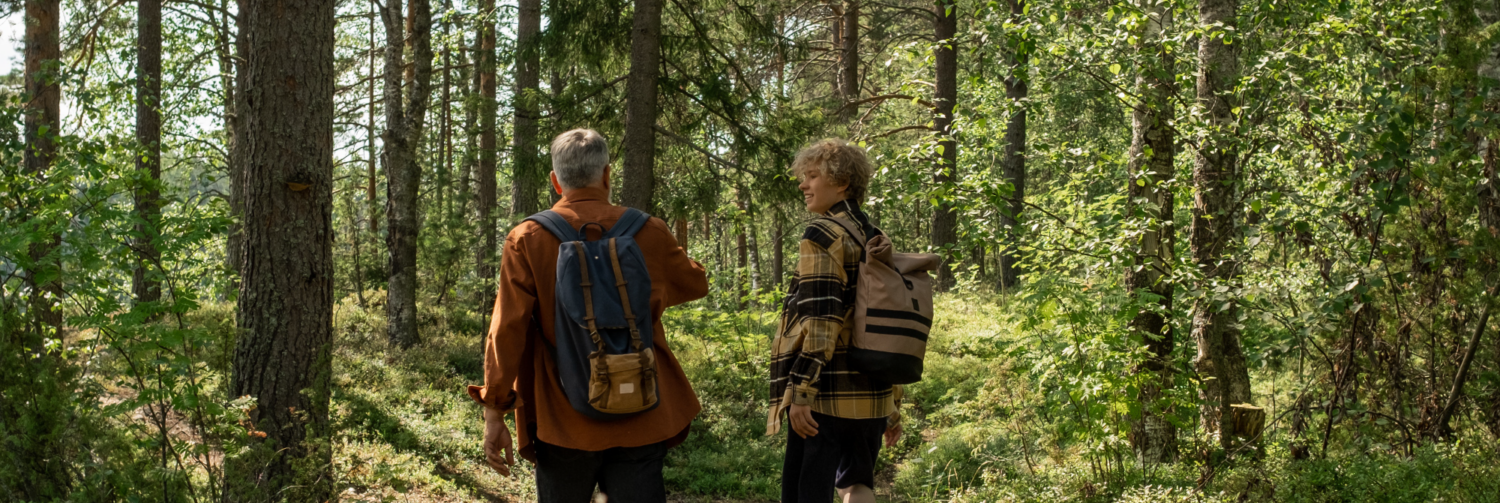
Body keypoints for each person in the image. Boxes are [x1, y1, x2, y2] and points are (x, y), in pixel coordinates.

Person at [468, 128, 708, 503]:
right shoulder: (650, 230)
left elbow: (507, 329)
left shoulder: (527, 237)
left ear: (555, 181)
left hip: (563, 416)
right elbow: (695, 284)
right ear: (607, 174)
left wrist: (495, 410)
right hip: (641, 408)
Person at [768, 139, 902, 503]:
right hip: (873, 391)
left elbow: (822, 319)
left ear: (841, 182)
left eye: (812, 176)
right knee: (857, 485)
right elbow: (889, 321)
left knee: (804, 493)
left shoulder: (822, 234)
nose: (803, 184)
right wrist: (894, 401)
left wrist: (800, 391)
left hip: (826, 396)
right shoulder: (875, 236)